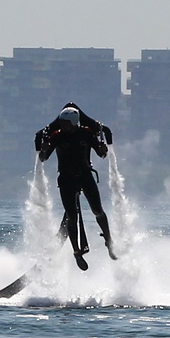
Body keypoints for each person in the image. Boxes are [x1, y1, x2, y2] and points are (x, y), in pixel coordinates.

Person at [35, 103, 116, 268]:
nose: (62, 126)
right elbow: (44, 158)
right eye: (61, 123)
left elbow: (101, 154)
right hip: (66, 180)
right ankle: (77, 252)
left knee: (97, 210)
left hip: (85, 176)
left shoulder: (86, 134)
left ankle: (109, 240)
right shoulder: (57, 136)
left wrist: (103, 149)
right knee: (72, 217)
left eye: (65, 124)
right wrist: (43, 150)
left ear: (73, 122)